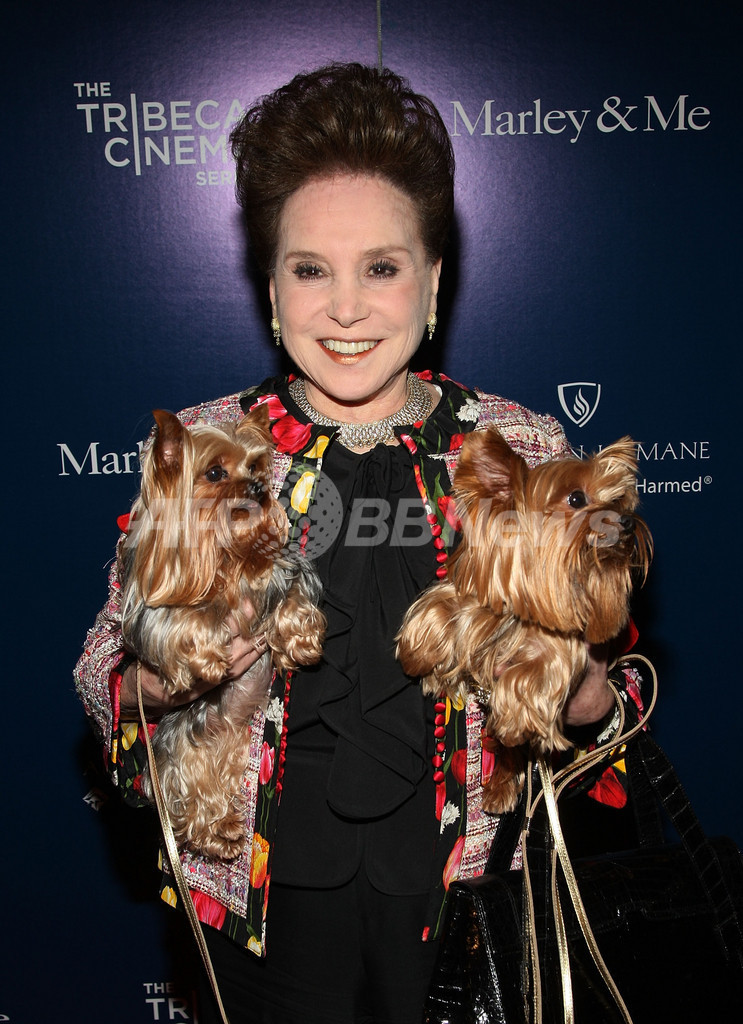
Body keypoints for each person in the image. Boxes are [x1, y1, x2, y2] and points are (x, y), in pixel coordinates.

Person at [74, 62, 640, 1024]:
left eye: (381, 268)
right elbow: (103, 670)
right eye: (310, 270)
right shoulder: (213, 447)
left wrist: (584, 691)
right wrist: (157, 681)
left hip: (473, 896)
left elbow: (609, 694)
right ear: (271, 287)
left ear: (432, 282)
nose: (344, 308)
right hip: (256, 904)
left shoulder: (519, 446)